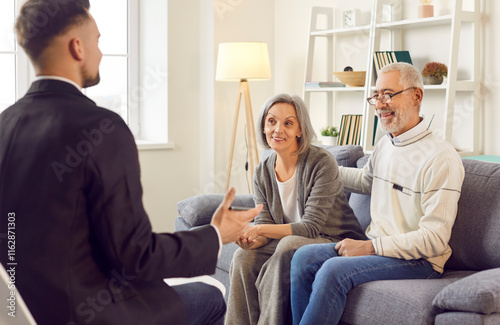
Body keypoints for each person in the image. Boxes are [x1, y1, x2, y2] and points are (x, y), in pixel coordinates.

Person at [0, 1, 262, 324]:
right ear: (77, 47)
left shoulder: (5, 125)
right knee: (211, 296)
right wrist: (215, 234)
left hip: (18, 312)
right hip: (88, 313)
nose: (100, 52)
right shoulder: (101, 128)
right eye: (97, 40)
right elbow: (135, 255)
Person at [290, 62, 465, 325]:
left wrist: (369, 246)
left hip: (419, 261)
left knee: (332, 271)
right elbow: (367, 181)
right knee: (303, 256)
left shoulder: (442, 158)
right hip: (379, 248)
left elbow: (434, 240)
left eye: (388, 94)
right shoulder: (386, 143)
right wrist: (318, 168)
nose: (380, 104)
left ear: (417, 95)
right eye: (376, 95)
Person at [225, 94, 366, 325]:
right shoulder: (262, 170)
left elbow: (310, 228)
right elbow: (266, 225)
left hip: (334, 239)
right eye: (271, 121)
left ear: (300, 130)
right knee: (243, 256)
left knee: (288, 245)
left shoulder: (321, 162)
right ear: (263, 126)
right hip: (292, 241)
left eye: (288, 123)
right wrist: (250, 239)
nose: (278, 129)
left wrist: (258, 229)